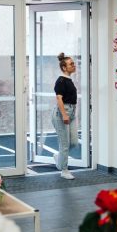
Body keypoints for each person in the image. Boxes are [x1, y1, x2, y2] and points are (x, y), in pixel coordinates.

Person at [52, 52, 78, 180]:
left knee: (73, 142)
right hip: (61, 114)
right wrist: (64, 115)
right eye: (71, 64)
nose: (74, 65)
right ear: (64, 67)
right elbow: (59, 99)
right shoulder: (61, 81)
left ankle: (59, 157)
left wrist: (70, 114)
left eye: (73, 63)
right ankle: (64, 170)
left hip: (71, 113)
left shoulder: (68, 80)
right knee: (65, 144)